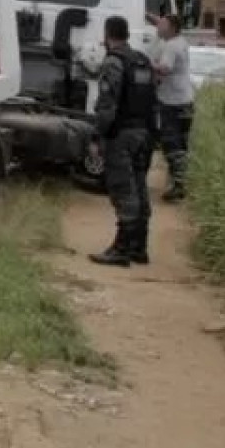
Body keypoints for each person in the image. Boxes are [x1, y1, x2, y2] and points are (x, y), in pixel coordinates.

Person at [88, 15, 156, 268]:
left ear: (108, 34)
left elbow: (107, 105)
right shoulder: (142, 61)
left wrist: (98, 136)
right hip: (144, 134)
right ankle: (139, 246)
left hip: (122, 135)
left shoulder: (114, 63)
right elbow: (152, 100)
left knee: (122, 189)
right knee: (139, 188)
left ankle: (122, 249)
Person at [150, 12, 195, 202]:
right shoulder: (181, 41)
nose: (158, 27)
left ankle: (178, 186)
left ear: (172, 28)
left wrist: (146, 63)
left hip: (172, 102)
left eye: (162, 25)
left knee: (171, 143)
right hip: (186, 100)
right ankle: (180, 182)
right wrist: (152, 17)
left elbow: (164, 69)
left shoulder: (170, 47)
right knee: (182, 144)